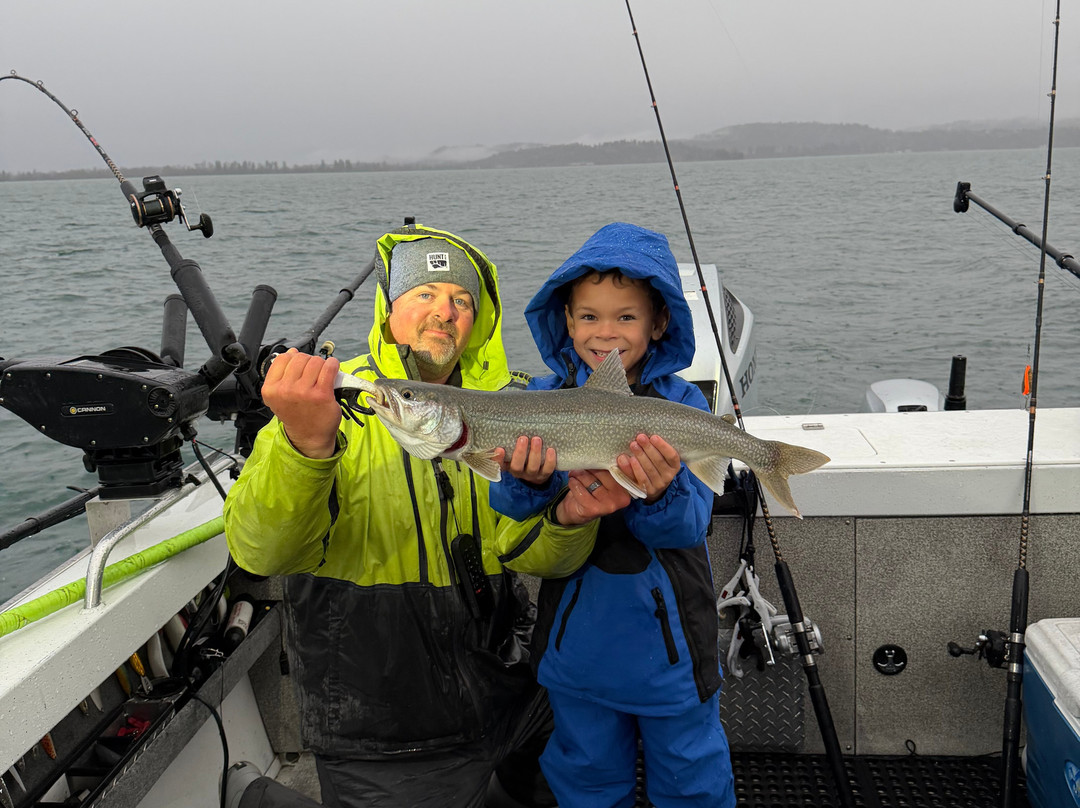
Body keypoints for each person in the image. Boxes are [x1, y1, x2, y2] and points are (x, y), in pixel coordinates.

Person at [223, 224, 577, 808]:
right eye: (425, 294)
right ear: (389, 310)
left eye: (461, 300)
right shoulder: (328, 402)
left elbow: (534, 555)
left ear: (479, 320)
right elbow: (260, 552)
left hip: (510, 690)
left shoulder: (512, 405)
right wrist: (304, 447)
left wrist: (567, 519)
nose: (445, 311)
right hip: (382, 723)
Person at [490, 222, 737, 807]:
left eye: (626, 317)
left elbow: (687, 527)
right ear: (566, 322)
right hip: (577, 652)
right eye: (589, 317)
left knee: (692, 777)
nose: (607, 334)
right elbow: (510, 507)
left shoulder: (685, 405)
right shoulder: (536, 400)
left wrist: (657, 491)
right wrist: (528, 481)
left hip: (673, 648)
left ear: (658, 325)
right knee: (585, 778)